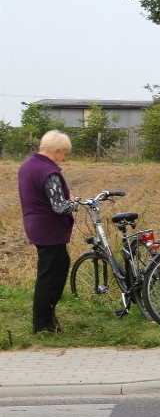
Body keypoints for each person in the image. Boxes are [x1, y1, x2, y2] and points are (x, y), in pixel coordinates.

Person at [18, 130, 76, 333]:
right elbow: (60, 207)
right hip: (49, 230)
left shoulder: (27, 166)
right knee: (51, 277)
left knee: (51, 272)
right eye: (65, 153)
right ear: (57, 151)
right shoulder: (49, 172)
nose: (64, 158)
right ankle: (43, 325)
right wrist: (74, 203)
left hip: (35, 225)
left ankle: (46, 320)